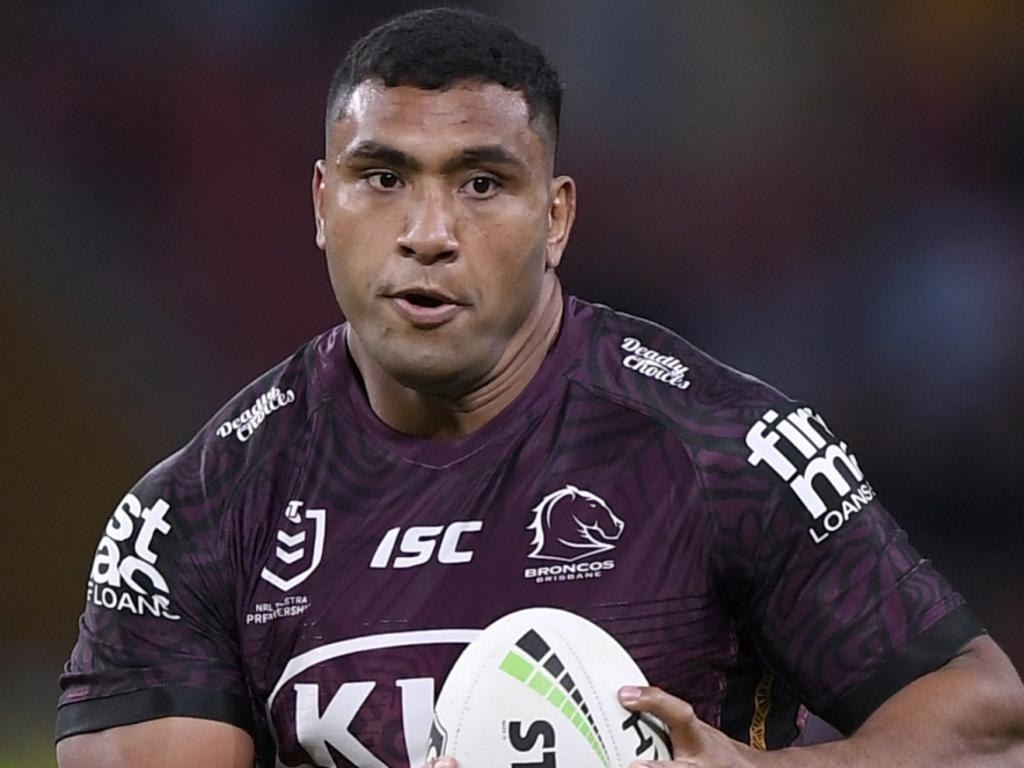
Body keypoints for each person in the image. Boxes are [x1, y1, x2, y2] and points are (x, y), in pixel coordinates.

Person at [55, 8, 1024, 768]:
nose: (427, 230)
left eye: (481, 182)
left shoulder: (722, 449)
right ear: (320, 204)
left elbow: (985, 726)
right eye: (382, 177)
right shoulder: (195, 512)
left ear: (556, 218)